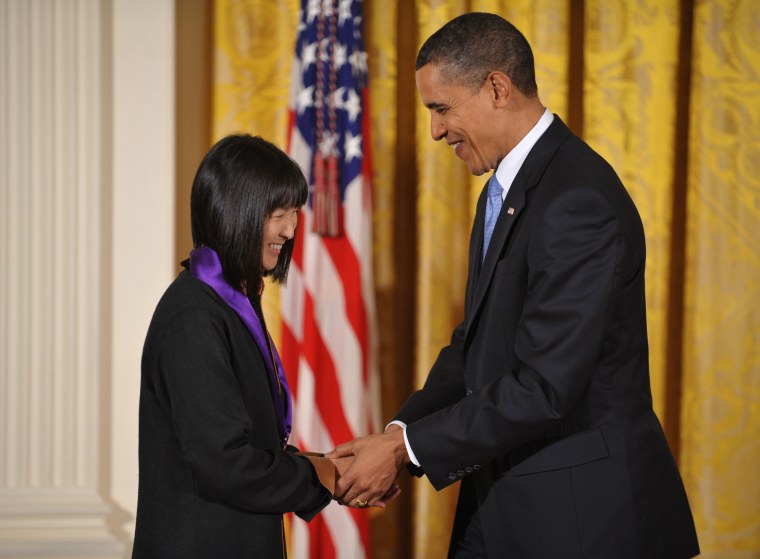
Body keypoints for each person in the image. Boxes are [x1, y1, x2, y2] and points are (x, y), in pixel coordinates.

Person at [328, 12, 700, 558]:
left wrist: (408, 450)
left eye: (441, 108)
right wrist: (400, 431)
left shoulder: (577, 198)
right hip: (509, 504)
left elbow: (543, 386)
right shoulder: (505, 189)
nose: (434, 131)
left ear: (497, 88)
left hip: (582, 522)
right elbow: (475, 346)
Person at [133, 134, 343, 558]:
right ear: (235, 211)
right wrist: (321, 476)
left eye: (294, 212)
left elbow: (250, 443)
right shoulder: (194, 315)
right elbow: (228, 463)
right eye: (277, 213)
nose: (290, 228)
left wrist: (325, 468)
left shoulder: (232, 302)